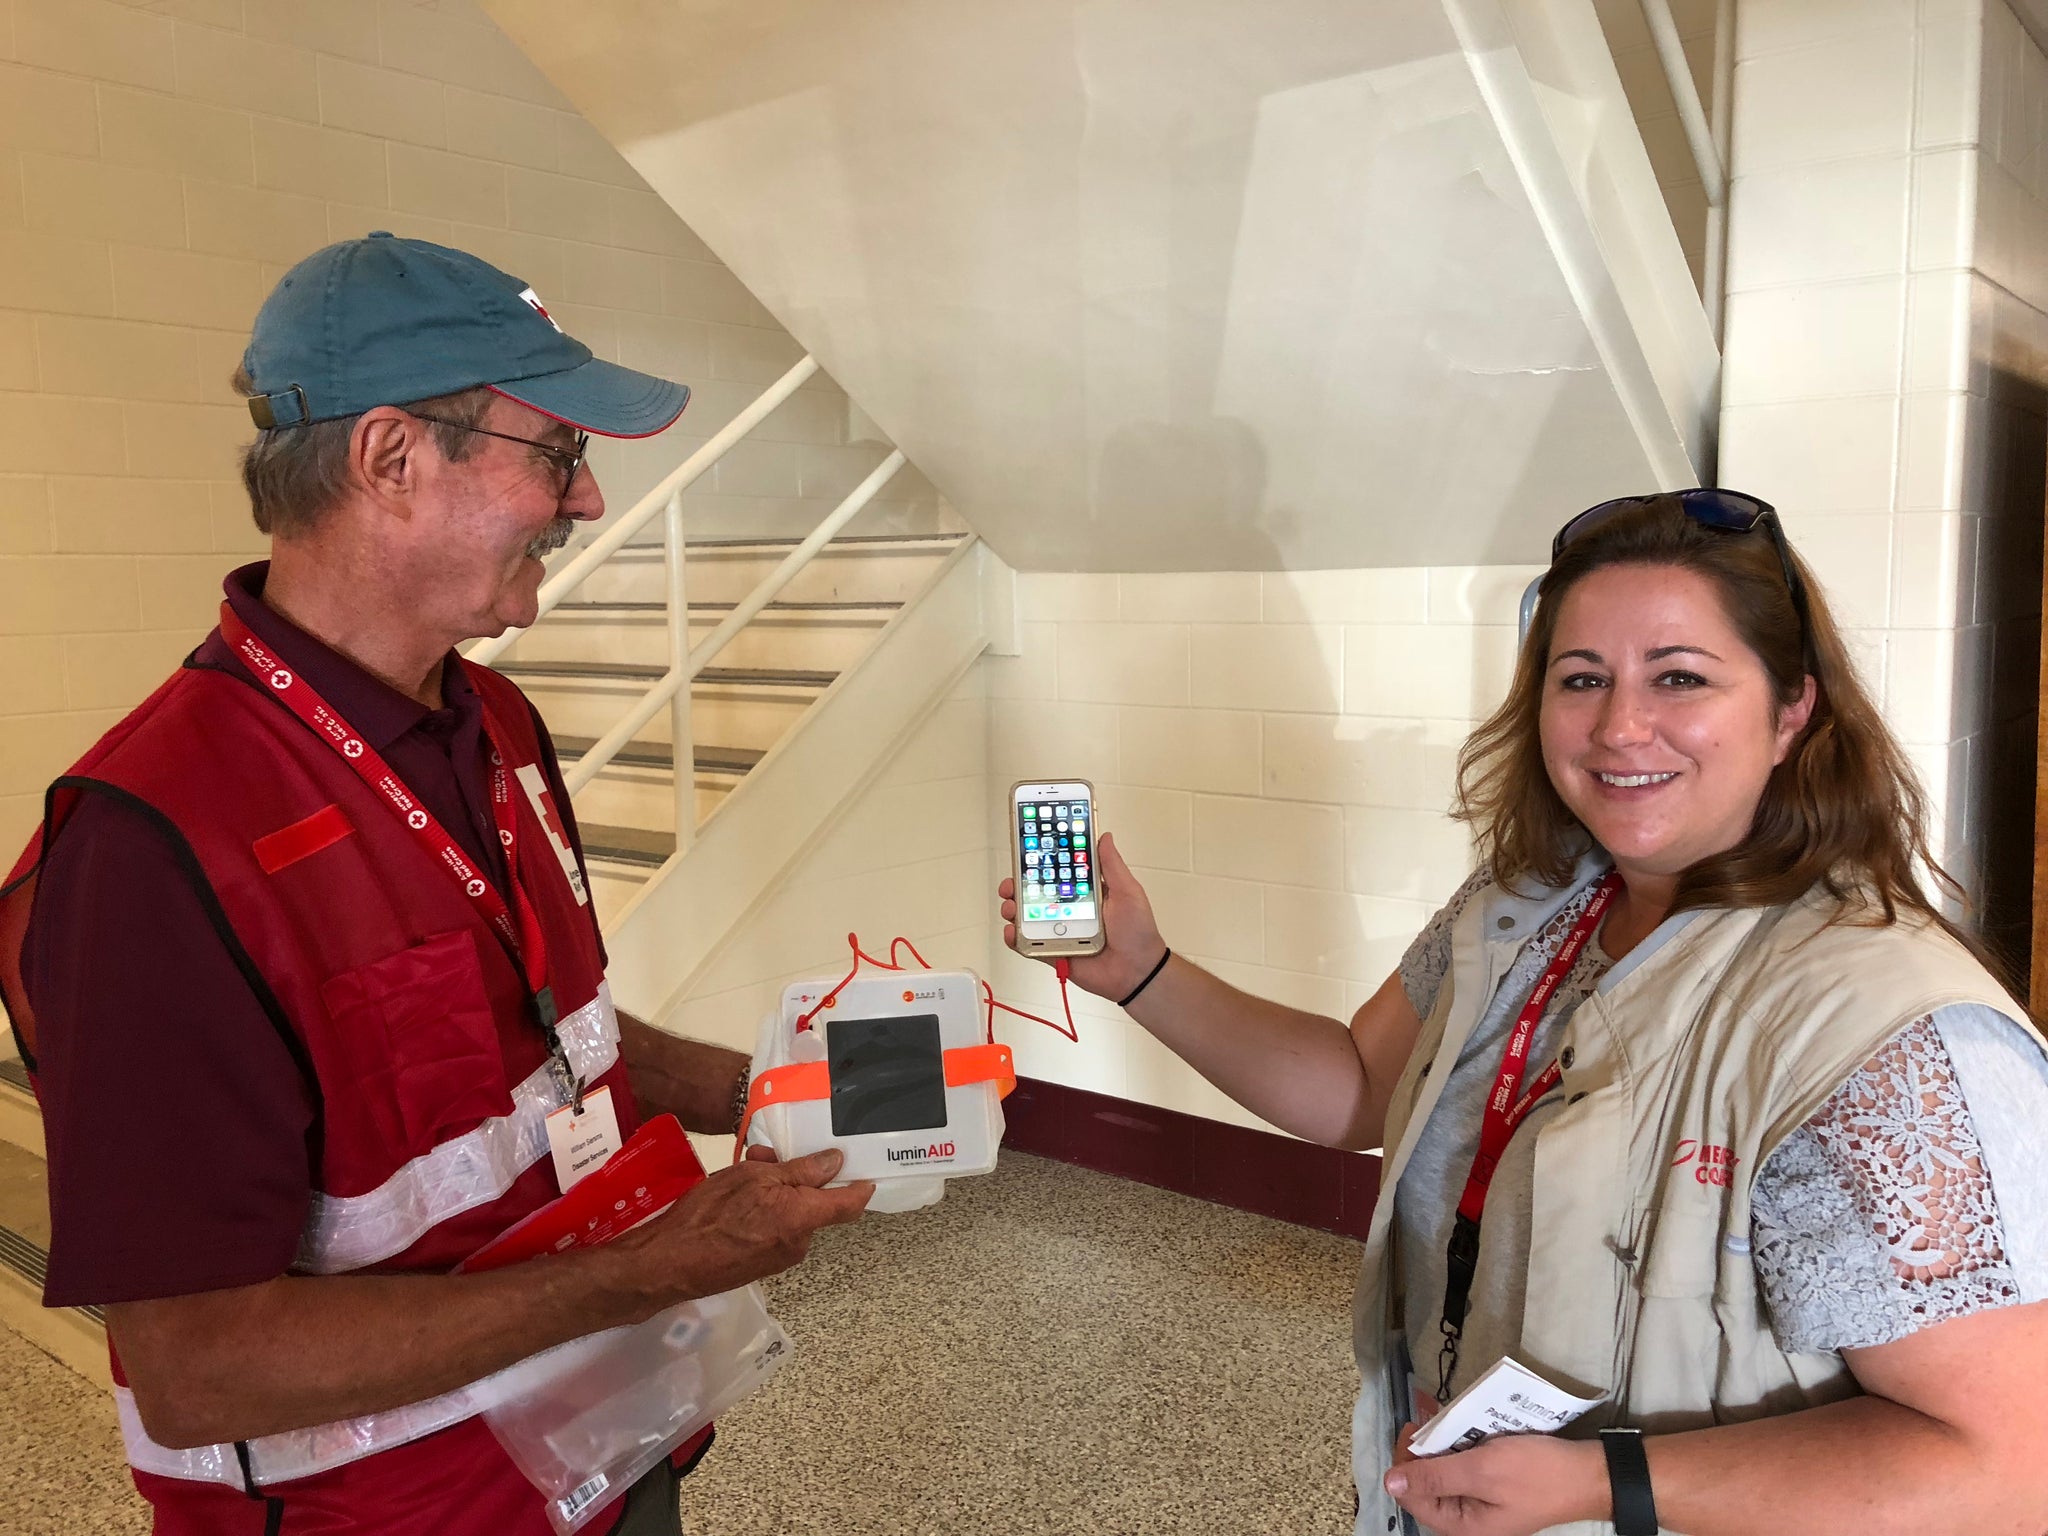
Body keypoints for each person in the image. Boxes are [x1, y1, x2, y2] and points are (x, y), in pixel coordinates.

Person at [0, 234, 873, 1536]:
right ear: (393, 458)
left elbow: (519, 1032)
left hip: (606, 1440)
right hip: (392, 1511)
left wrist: (759, 1083)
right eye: (560, 455)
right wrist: (641, 1271)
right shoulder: (150, 848)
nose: (586, 503)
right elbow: (198, 1370)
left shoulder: (496, 723)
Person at [1000, 491, 2048, 1536]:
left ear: (1789, 713)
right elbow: (1361, 1090)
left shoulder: (1889, 1037)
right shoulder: (1526, 906)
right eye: (1579, 678)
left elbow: (2003, 1468)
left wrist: (1605, 1485)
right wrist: (1142, 974)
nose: (1617, 726)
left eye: (1677, 677)